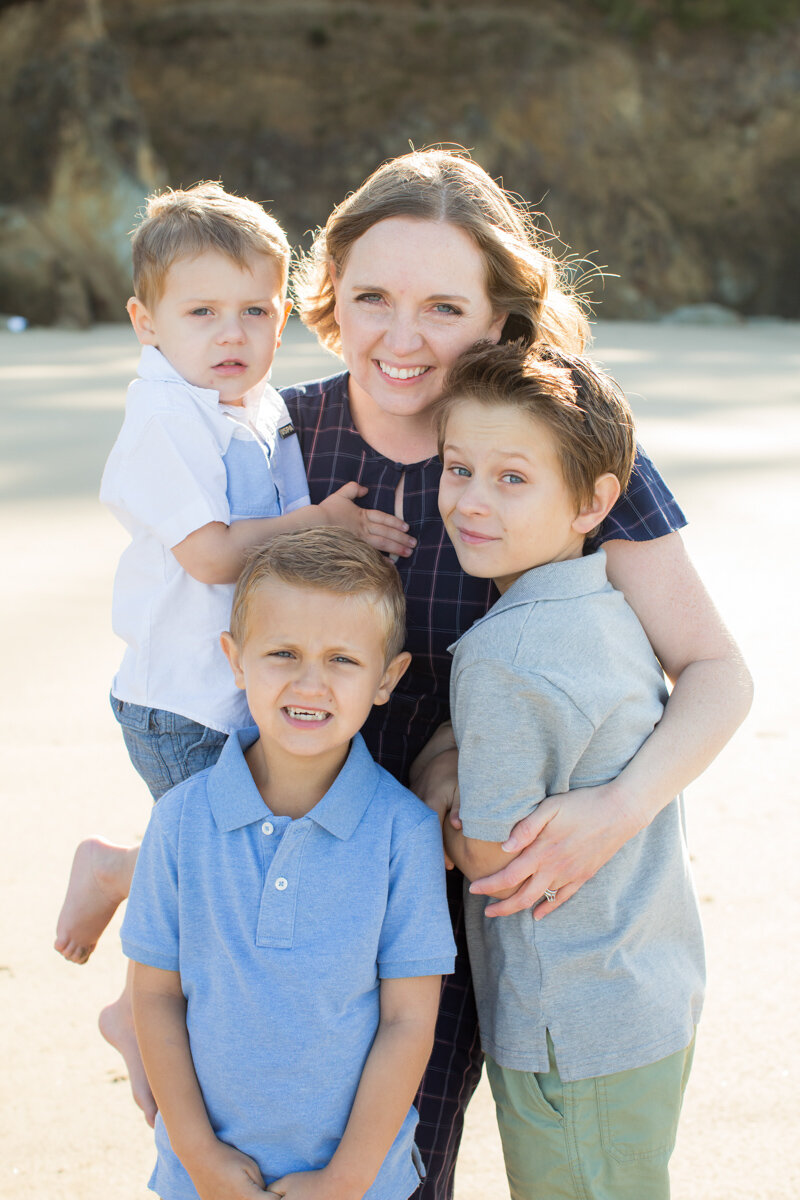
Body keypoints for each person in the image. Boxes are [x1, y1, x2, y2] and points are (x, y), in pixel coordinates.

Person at [281, 147, 751, 1199]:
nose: (401, 340)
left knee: (421, 1168)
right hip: (315, 884)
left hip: (492, 894)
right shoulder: (280, 440)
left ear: (500, 319)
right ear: (329, 299)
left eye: (442, 307)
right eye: (370, 298)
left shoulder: (549, 435)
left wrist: (616, 806)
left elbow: (715, 670)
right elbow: (207, 679)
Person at [54, 181, 414, 1122]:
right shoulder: (164, 419)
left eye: (255, 311)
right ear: (146, 320)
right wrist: (322, 520)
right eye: (202, 311)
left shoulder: (250, 405)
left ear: (284, 315)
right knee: (213, 868)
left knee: (247, 849)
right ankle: (131, 975)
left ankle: (126, 886)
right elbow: (213, 550)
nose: (231, 332)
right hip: (179, 695)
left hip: (234, 689)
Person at [435, 340, 705, 1199]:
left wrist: (432, 774)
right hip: (647, 987)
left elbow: (490, 855)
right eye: (458, 468)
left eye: (512, 479)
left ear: (595, 503)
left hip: (570, 1027)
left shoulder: (503, 654)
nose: (472, 502)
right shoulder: (611, 607)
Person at [122, 528, 456, 1200]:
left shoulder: (404, 833)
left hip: (361, 1184)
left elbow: (407, 1020)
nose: (312, 682)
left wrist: (346, 1179)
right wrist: (200, 1158)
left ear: (387, 678)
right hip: (203, 1181)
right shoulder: (181, 820)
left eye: (342, 660)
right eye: (282, 653)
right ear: (235, 660)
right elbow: (155, 997)